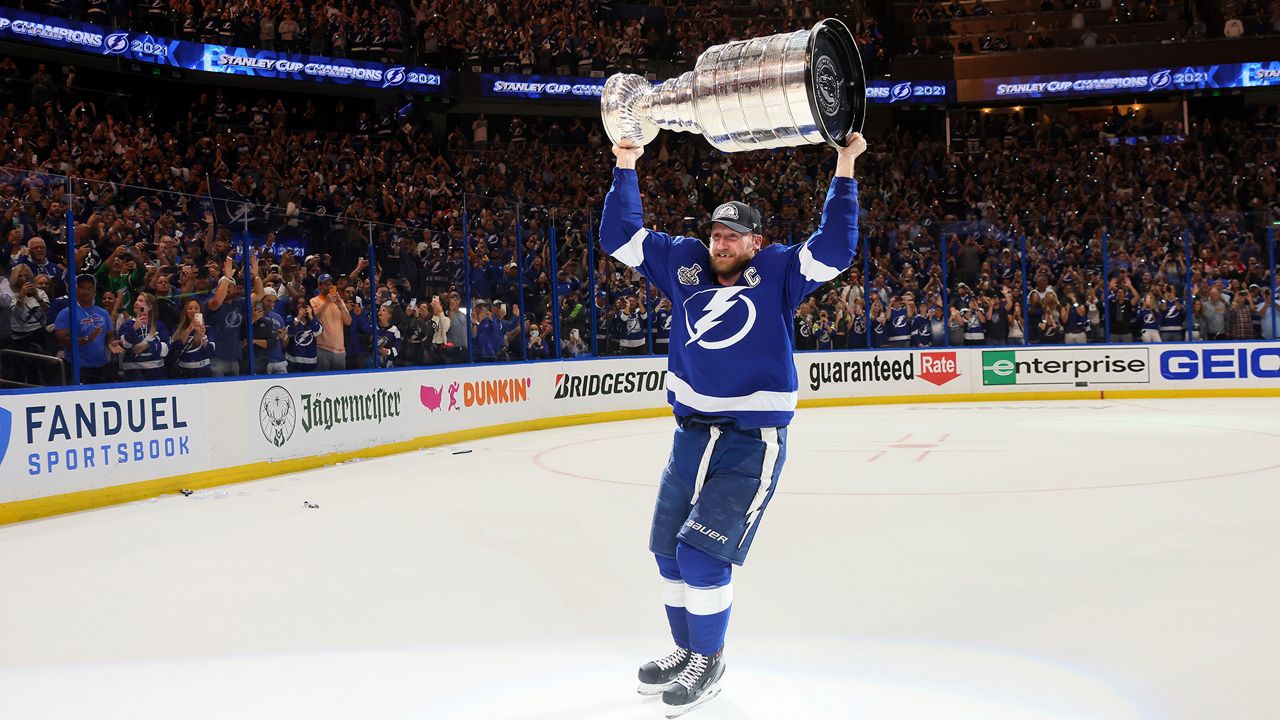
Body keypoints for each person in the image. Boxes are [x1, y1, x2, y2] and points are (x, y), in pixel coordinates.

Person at [601, 132, 865, 716]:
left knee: (701, 557)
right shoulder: (683, 262)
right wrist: (626, 161)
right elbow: (618, 237)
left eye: (732, 236)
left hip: (751, 438)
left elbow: (836, 248)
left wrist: (845, 164)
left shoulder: (778, 271)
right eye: (715, 234)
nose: (719, 243)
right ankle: (685, 650)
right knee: (668, 552)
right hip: (692, 432)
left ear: (756, 241)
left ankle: (710, 662)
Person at [53, 274, 119, 385]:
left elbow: (109, 334)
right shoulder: (66, 313)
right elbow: (61, 340)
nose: (86, 291)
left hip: (101, 366)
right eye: (82, 288)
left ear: (94, 291)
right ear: (76, 290)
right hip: (77, 367)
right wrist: (85, 339)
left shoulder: (103, 313)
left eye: (89, 288)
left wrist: (110, 343)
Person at [119, 292, 171, 382]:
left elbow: (166, 349)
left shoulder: (159, 325)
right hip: (133, 375)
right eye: (136, 300)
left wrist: (148, 345)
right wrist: (134, 328)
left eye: (141, 301)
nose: (136, 302)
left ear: (149, 307)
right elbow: (125, 345)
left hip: (156, 374)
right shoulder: (126, 326)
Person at [310, 273, 352, 371]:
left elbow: (348, 322)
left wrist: (341, 305)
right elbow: (315, 319)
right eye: (326, 284)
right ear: (319, 286)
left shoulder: (338, 302)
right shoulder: (314, 301)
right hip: (322, 349)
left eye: (330, 284)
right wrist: (326, 303)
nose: (329, 286)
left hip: (340, 350)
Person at [171, 298, 215, 378]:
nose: (193, 310)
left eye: (196, 308)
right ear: (185, 311)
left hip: (203, 371)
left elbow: (210, 353)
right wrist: (189, 330)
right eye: (190, 308)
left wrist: (203, 336)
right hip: (183, 372)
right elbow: (176, 348)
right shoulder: (178, 329)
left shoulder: (208, 329)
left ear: (200, 311)